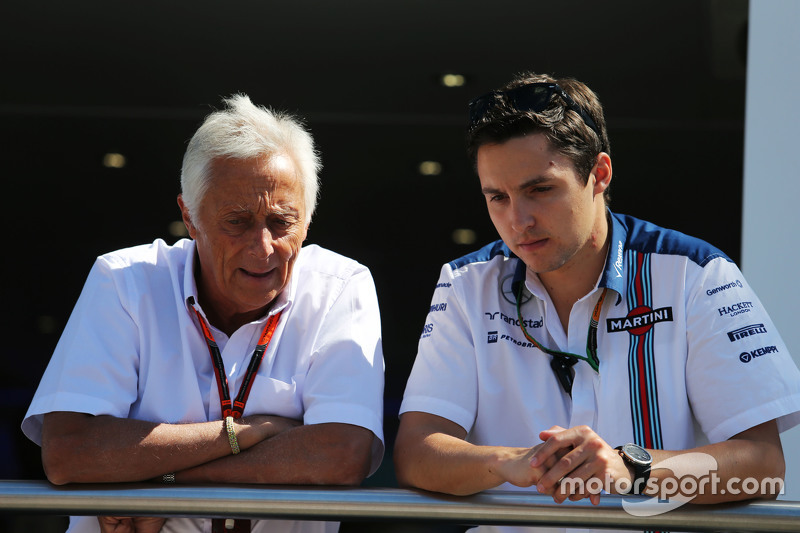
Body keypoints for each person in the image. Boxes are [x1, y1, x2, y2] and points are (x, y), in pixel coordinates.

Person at [394, 72, 800, 531]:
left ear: (599, 174)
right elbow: (415, 453)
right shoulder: (465, 283)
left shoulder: (695, 274)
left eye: (540, 189)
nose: (518, 220)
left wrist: (633, 470)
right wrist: (509, 463)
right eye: (497, 198)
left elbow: (764, 468)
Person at [22, 94, 385, 533]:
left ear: (307, 221)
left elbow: (342, 454)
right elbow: (68, 452)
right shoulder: (124, 280)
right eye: (237, 221)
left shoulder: (340, 287)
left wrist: (161, 483)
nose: (263, 247)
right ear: (189, 217)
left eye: (281, 222)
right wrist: (247, 432)